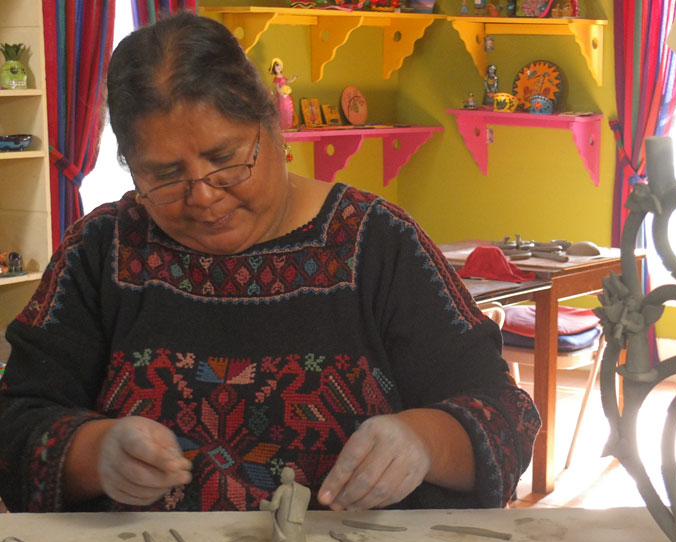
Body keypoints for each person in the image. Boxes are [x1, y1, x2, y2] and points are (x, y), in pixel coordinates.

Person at [0, 12, 540, 514]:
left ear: (273, 129)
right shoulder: (101, 250)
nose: (204, 197)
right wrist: (94, 454)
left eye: (225, 160)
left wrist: (424, 440)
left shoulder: (378, 244)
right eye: (164, 176)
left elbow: (506, 419)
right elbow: (15, 425)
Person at [260, 467, 311, 542]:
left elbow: (274, 506)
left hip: (283, 517)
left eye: (282, 476)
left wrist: (264, 505)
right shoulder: (300, 489)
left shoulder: (282, 488)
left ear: (284, 477)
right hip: (296, 517)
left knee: (285, 530)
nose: (280, 478)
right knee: (295, 529)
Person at [268, 57, 297, 131]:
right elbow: (277, 88)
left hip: (285, 94)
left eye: (279, 65)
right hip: (281, 95)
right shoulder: (277, 77)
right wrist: (281, 93)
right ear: (274, 68)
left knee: (288, 108)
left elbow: (288, 80)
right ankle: (283, 126)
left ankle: (288, 125)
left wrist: (293, 78)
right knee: (282, 109)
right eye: (277, 65)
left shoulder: (282, 76)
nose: (279, 67)